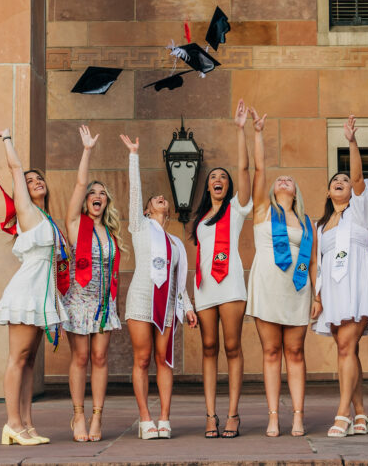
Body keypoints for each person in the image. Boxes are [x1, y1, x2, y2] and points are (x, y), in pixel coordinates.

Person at [0, 128, 67, 446]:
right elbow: (14, 170)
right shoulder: (27, 210)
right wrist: (8, 139)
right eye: (30, 180)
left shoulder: (47, 217)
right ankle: (12, 423)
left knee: (30, 362)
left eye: (40, 180)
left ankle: (27, 424)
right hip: (26, 292)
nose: (36, 182)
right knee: (17, 358)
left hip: (42, 293)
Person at [121, 133, 199, 439]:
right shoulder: (140, 228)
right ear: (146, 210)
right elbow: (135, 193)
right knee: (142, 358)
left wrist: (189, 308)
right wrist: (134, 155)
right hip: (141, 300)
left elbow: (181, 281)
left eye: (162, 199)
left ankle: (165, 418)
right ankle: (145, 419)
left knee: (163, 358)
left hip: (166, 304)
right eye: (155, 199)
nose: (160, 199)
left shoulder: (177, 243)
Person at [245, 107, 316, 437]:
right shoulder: (262, 211)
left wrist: (315, 294)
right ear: (273, 190)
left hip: (297, 289)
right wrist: (257, 133)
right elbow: (260, 170)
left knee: (296, 353)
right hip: (268, 286)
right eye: (279, 179)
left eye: (289, 179)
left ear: (296, 190)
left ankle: (298, 416)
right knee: (271, 352)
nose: (282, 179)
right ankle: (274, 416)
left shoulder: (305, 223)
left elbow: (309, 261)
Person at [312, 115, 368, 438]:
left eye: (344, 180)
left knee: (345, 348)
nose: (341, 182)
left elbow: (357, 177)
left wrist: (351, 142)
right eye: (334, 181)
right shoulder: (320, 226)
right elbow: (318, 265)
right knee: (347, 350)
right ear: (328, 193)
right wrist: (317, 297)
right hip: (333, 292)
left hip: (357, 284)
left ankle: (342, 415)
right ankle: (362, 414)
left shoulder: (361, 210)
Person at [190, 99, 253, 438]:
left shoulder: (237, 210)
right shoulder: (200, 218)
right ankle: (211, 415)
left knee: (232, 347)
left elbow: (244, 172)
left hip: (230, 286)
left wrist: (240, 130)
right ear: (207, 186)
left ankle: (233, 414)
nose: (218, 179)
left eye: (222, 177)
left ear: (228, 187)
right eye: (213, 177)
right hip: (205, 289)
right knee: (209, 347)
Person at [63, 125, 123, 442]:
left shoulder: (110, 234)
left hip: (103, 304)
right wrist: (87, 151)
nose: (96, 196)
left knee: (100, 359)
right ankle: (78, 416)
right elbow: (80, 181)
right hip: (78, 299)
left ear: (106, 202)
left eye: (102, 193)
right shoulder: (76, 224)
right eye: (92, 194)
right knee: (81, 358)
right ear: (85, 202)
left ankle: (98, 416)